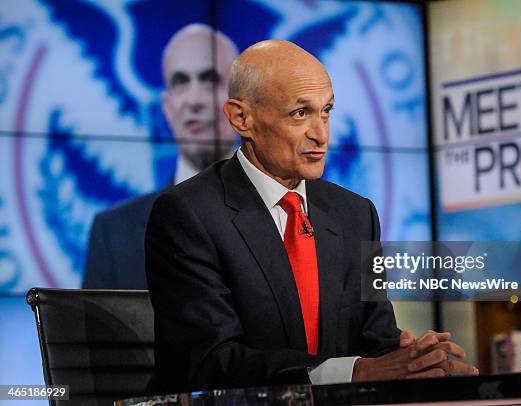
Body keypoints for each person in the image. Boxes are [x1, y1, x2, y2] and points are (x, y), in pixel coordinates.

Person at [145, 40, 478, 393]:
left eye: (326, 111)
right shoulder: (189, 214)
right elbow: (213, 362)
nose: (320, 134)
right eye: (300, 113)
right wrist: (352, 372)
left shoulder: (355, 214)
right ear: (242, 118)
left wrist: (414, 359)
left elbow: (374, 340)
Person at [82, 24, 238, 289]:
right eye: (180, 83)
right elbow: (92, 331)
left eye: (210, 80)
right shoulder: (113, 233)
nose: (194, 100)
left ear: (241, 102)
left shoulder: (283, 217)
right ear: (167, 108)